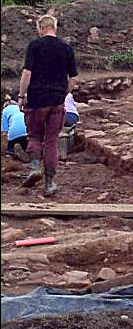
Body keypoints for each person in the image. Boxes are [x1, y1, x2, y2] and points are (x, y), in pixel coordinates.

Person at [18, 14, 78, 196]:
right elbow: (73, 79)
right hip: (57, 102)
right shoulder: (66, 48)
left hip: (37, 100)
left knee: (35, 136)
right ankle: (49, 183)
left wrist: (22, 95)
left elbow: (27, 73)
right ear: (54, 27)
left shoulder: (35, 46)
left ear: (41, 28)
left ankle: (35, 166)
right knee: (52, 141)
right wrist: (63, 95)